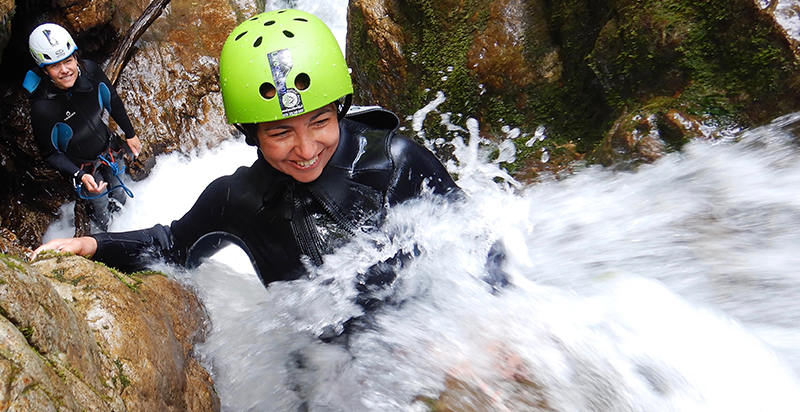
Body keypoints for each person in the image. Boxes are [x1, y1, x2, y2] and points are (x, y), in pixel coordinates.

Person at [32, 9, 460, 290]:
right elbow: (172, 246)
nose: (306, 149)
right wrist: (92, 245)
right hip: (324, 368)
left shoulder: (395, 162)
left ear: (340, 108)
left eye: (320, 122)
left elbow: (474, 240)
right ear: (250, 133)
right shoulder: (238, 200)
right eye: (281, 133)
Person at [24, 22, 141, 231]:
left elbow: (112, 100)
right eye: (54, 66)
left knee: (119, 189)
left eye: (68, 61)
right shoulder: (43, 107)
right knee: (100, 204)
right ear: (44, 71)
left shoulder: (91, 72)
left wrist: (130, 134)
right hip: (82, 166)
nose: (65, 70)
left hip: (109, 147)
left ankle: (127, 223)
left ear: (75, 57)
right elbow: (50, 153)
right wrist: (79, 175)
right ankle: (108, 233)